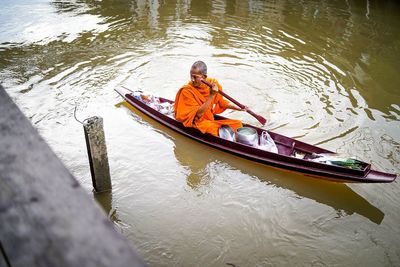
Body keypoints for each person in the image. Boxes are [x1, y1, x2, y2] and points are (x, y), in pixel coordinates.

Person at [174, 61, 245, 136]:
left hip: (209, 120)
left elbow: (221, 102)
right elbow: (198, 114)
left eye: (195, 77)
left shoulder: (212, 84)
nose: (192, 80)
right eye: (191, 76)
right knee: (212, 130)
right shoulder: (187, 90)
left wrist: (237, 107)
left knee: (238, 124)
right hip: (197, 122)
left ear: (204, 77)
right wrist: (211, 96)